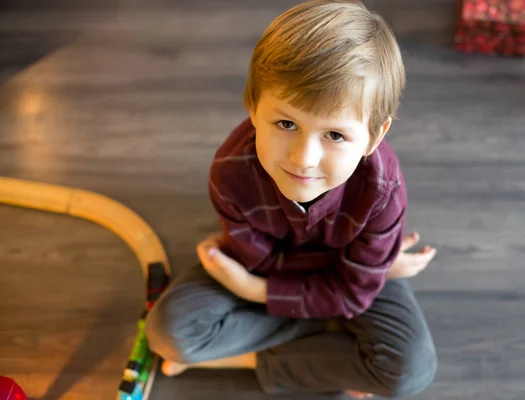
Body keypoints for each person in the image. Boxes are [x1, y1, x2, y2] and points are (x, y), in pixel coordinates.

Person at [146, 1, 438, 398]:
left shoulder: (382, 188)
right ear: (253, 108)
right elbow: (260, 262)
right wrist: (371, 276)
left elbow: (262, 277)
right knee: (168, 332)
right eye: (286, 124)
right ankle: (331, 334)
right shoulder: (232, 170)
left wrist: (255, 293)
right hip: (332, 274)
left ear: (374, 136)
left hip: (296, 281)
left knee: (411, 370)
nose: (304, 158)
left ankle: (243, 352)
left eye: (335, 135)